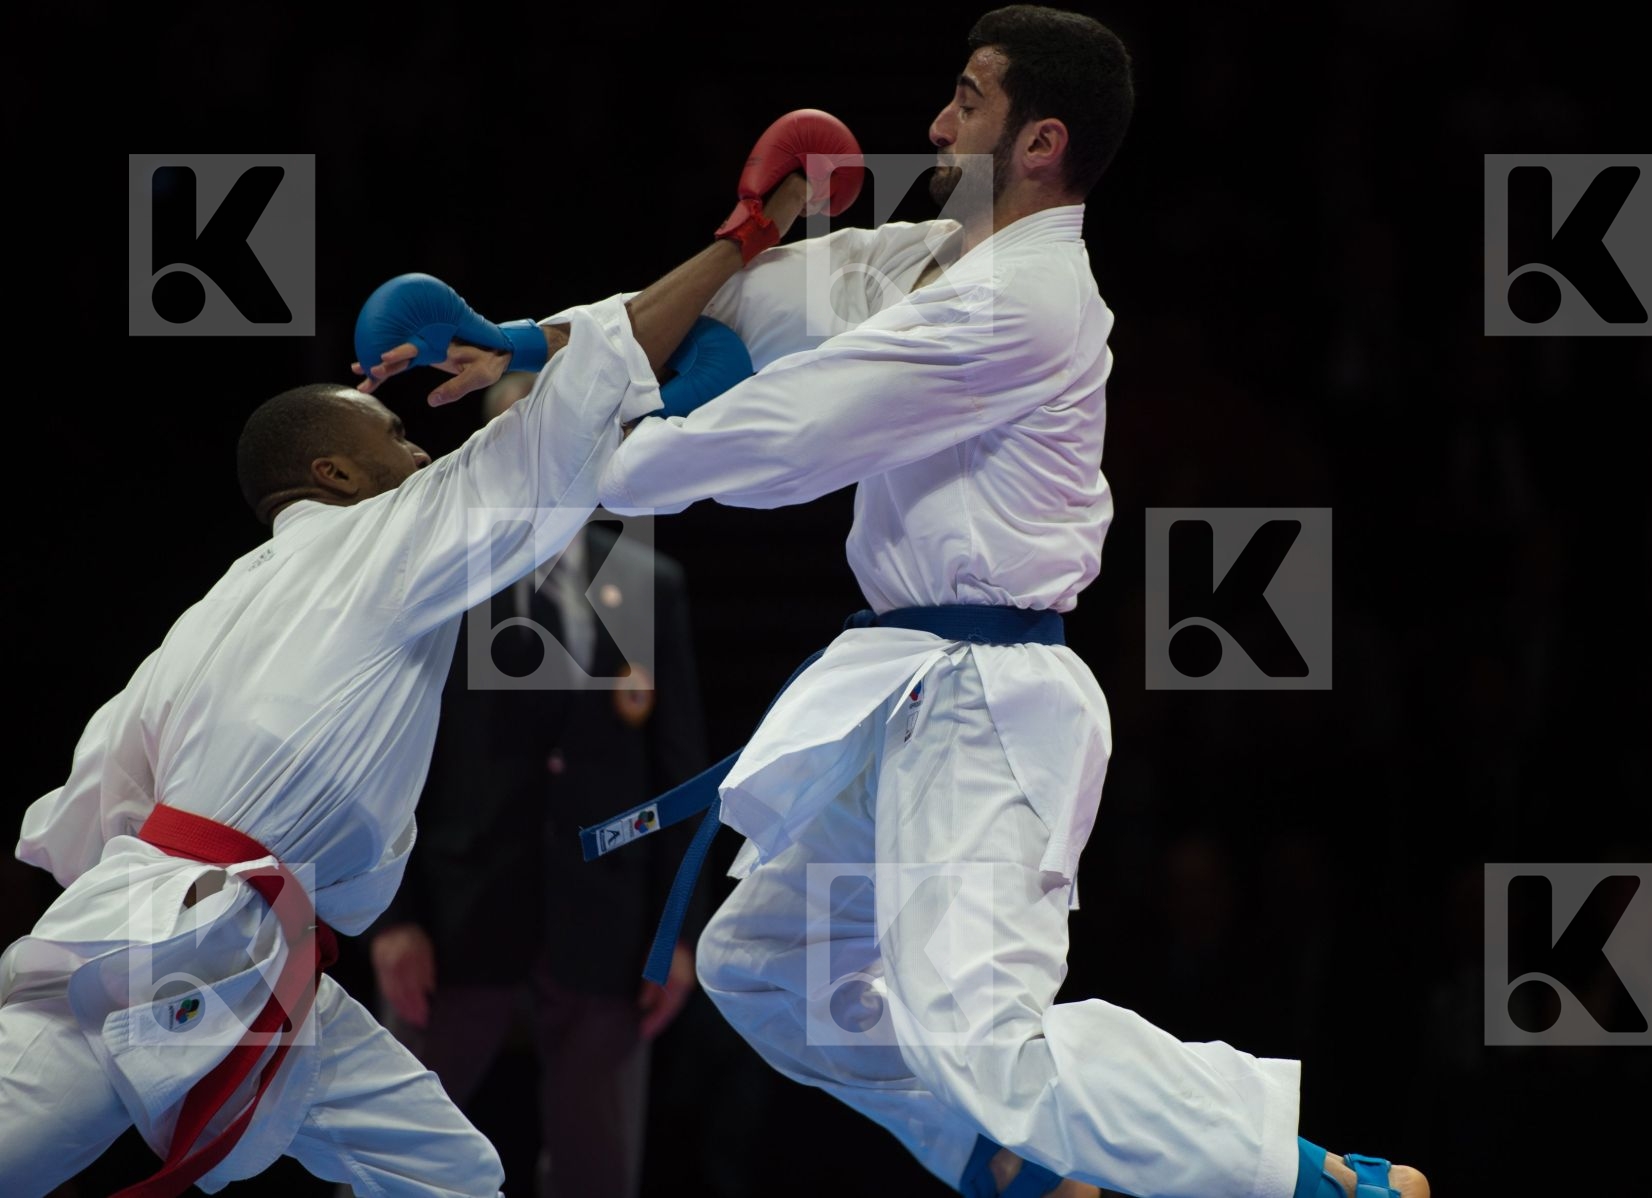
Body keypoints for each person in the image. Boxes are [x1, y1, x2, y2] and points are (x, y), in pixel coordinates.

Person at [506, 8, 1432, 1197]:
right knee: (759, 961)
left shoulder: (1019, 303)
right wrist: (531, 345)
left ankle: (1308, 1176)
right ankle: (1002, 1158)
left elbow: (796, 427)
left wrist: (602, 462)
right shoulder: (937, 261)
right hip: (907, 688)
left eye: (968, 100)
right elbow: (767, 301)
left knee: (986, 1035)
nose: (937, 126)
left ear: (1041, 139)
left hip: (991, 700)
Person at [0, 151, 819, 1196]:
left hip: (246, 948)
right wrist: (742, 240)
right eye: (395, 434)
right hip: (164, 948)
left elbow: (90, 799)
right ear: (335, 472)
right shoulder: (384, 538)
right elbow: (576, 402)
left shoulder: (210, 610)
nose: (424, 454)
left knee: (452, 1174)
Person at [366, 372, 707, 1198]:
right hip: (452, 918)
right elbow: (383, 760)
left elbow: (681, 774)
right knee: (390, 1159)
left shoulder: (640, 581)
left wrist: (678, 935)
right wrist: (394, 918)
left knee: (597, 1173)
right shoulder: (439, 578)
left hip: (607, 927)